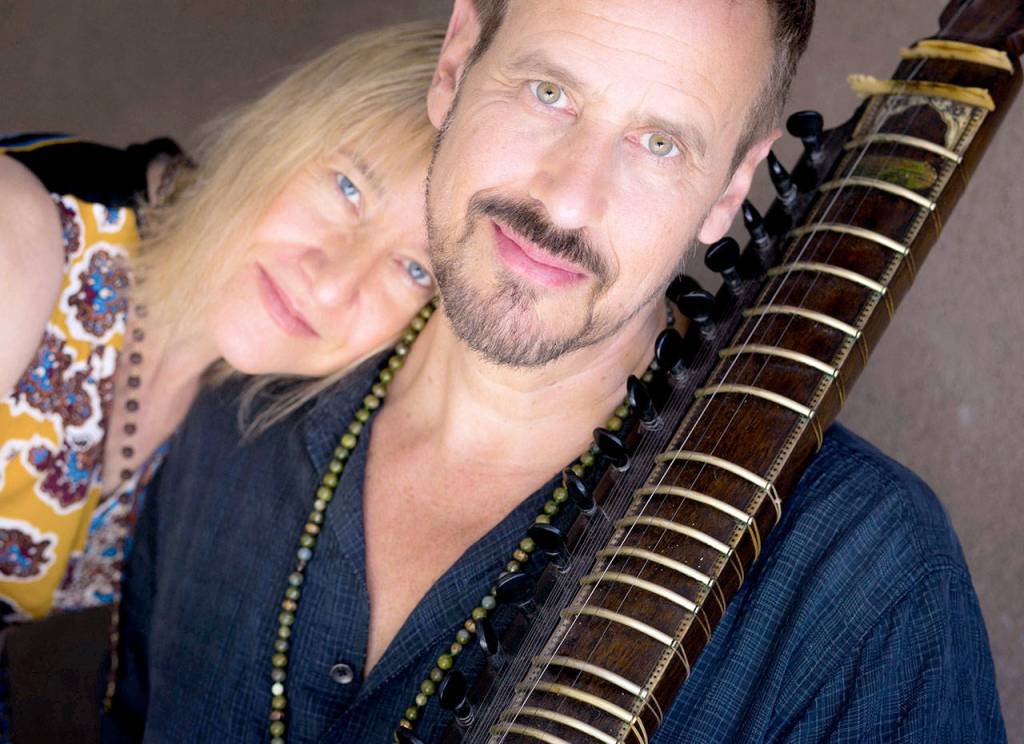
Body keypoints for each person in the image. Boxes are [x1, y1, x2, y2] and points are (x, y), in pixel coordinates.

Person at [105, 1, 1007, 743]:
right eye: (549, 93)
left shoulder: (870, 581)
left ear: (730, 192)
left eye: (660, 144)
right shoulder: (237, 412)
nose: (569, 200)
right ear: (455, 64)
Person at [0, 21, 443, 625]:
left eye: (415, 270)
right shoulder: (22, 232)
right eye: (348, 188)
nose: (333, 282)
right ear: (280, 132)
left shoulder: (259, 426)